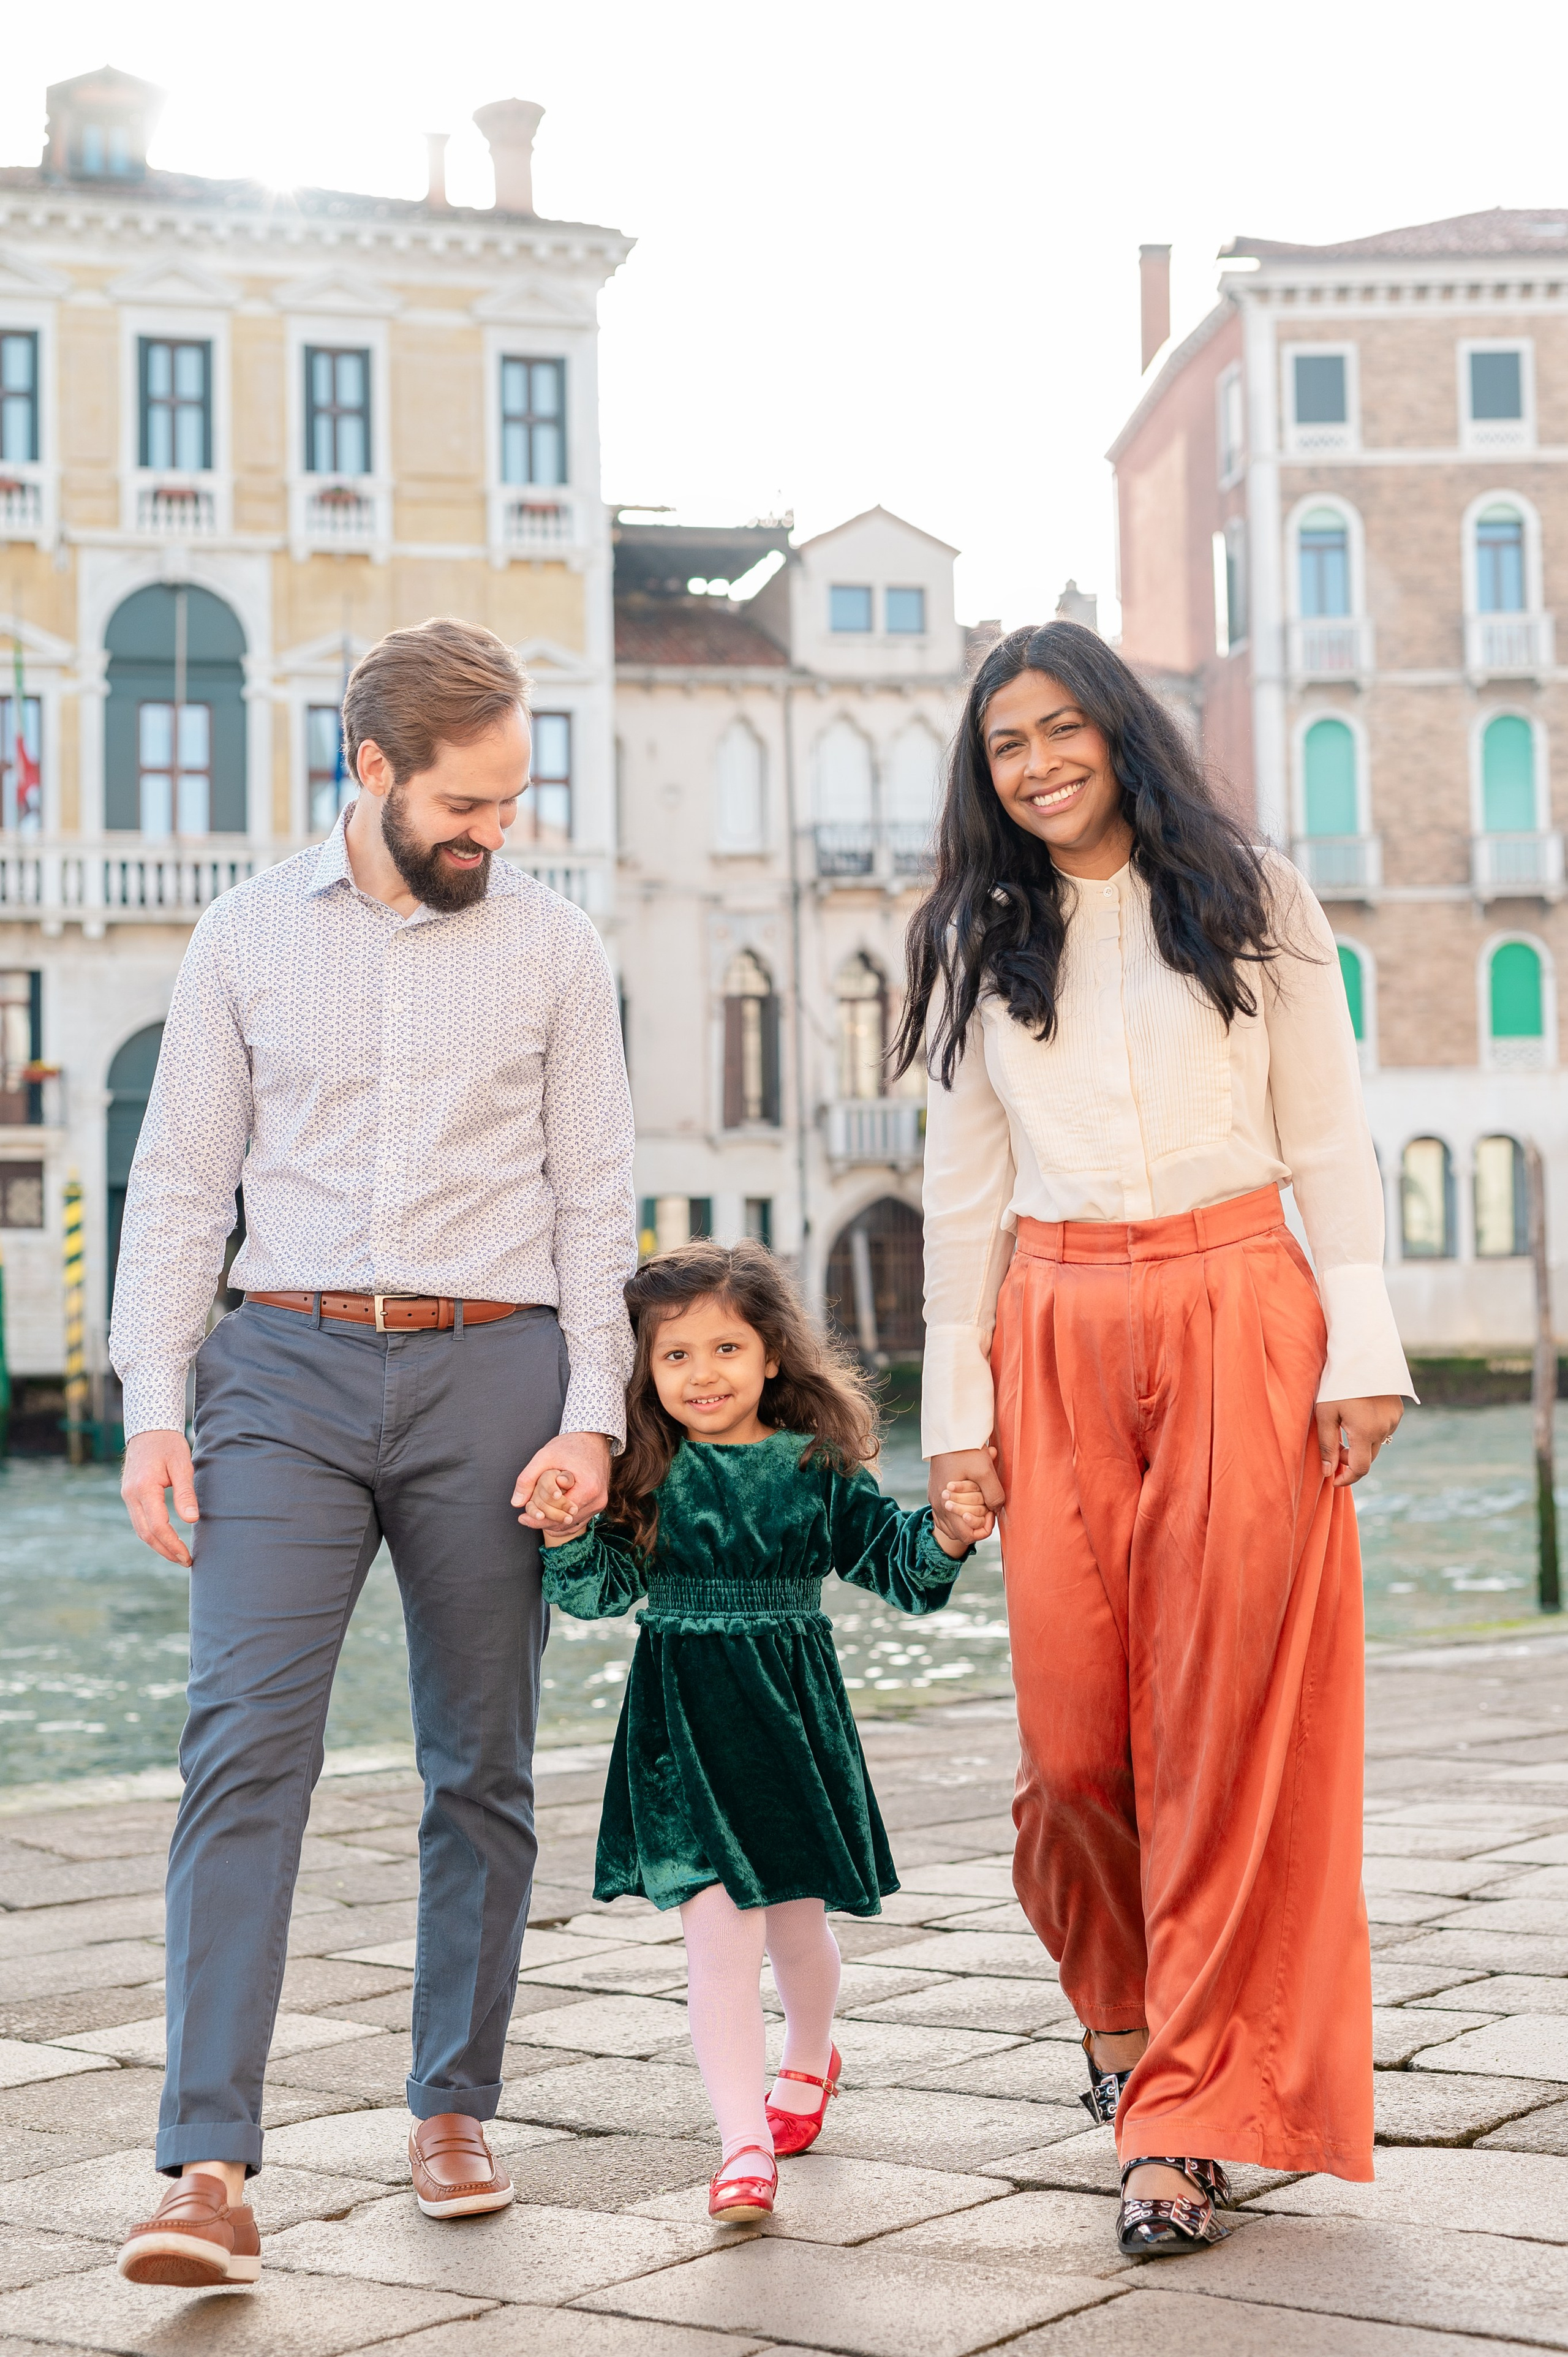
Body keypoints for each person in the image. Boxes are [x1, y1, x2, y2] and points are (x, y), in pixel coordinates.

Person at [109, 617, 637, 2290]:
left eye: (516, 797)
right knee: (241, 1747)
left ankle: (453, 2109)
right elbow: (184, 1182)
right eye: (469, 802)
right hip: (284, 1368)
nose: (498, 829)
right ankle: (206, 2168)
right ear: (373, 771)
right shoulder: (244, 936)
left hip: (501, 1374)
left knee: (478, 1763)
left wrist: (597, 1412)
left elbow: (594, 1202)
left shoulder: (557, 949)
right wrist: (147, 1402)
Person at [894, 621, 1411, 2260]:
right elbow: (963, 1192)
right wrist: (954, 1425)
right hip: (1052, 1332)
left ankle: (1181, 2122)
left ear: (1119, 731)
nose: (1038, 764)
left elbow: (1325, 1137)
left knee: (1218, 1737)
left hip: (1243, 1307)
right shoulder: (981, 934)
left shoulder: (1249, 895)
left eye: (1062, 730)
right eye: (1005, 747)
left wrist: (1366, 1344)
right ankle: (1120, 2028)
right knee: (1070, 1752)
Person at [532, 1241, 992, 2222]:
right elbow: (602, 1594)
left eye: (726, 1349)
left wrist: (948, 1532)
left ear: (773, 1355)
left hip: (789, 1719)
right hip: (681, 1729)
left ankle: (811, 2056)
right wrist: (570, 1534)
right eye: (677, 1357)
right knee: (715, 1941)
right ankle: (743, 2149)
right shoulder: (645, 1472)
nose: (703, 1375)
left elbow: (898, 1568)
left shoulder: (817, 1467)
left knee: (795, 1926)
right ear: (645, 1374)